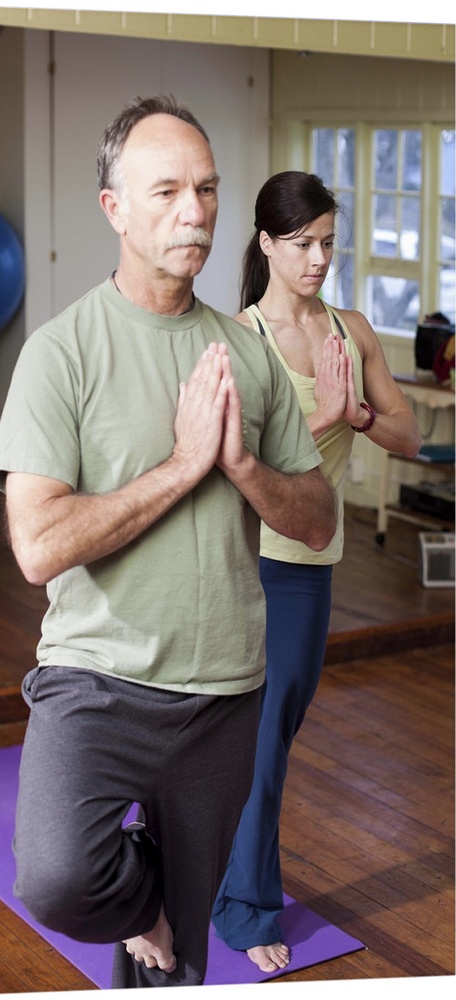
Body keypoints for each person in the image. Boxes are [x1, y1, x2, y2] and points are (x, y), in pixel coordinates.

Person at [0, 98, 337, 989]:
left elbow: (319, 517)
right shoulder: (60, 353)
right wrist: (183, 467)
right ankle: (140, 904)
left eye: (208, 189)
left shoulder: (243, 355)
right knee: (60, 875)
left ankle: (161, 924)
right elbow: (37, 547)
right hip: (95, 682)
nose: (196, 211)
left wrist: (243, 466)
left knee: (180, 964)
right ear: (114, 208)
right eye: (169, 190)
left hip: (224, 691)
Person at [211, 170, 422, 974]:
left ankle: (179, 842)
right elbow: (239, 457)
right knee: (262, 745)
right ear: (267, 244)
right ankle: (245, 906)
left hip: (312, 566)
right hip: (247, 560)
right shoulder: (237, 338)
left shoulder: (351, 329)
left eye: (328, 243)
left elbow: (404, 435)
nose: (318, 259)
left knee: (278, 736)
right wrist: (325, 416)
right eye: (302, 244)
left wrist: (358, 412)